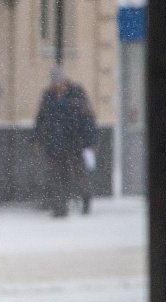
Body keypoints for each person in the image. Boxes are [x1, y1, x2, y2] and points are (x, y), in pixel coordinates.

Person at [33, 65, 99, 217]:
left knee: (78, 174)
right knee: (56, 176)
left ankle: (85, 198)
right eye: (54, 81)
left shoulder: (76, 93)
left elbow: (87, 118)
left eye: (59, 80)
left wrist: (90, 141)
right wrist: (37, 138)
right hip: (53, 143)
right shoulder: (48, 96)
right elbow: (41, 118)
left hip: (74, 142)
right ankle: (60, 207)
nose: (56, 84)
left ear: (64, 79)